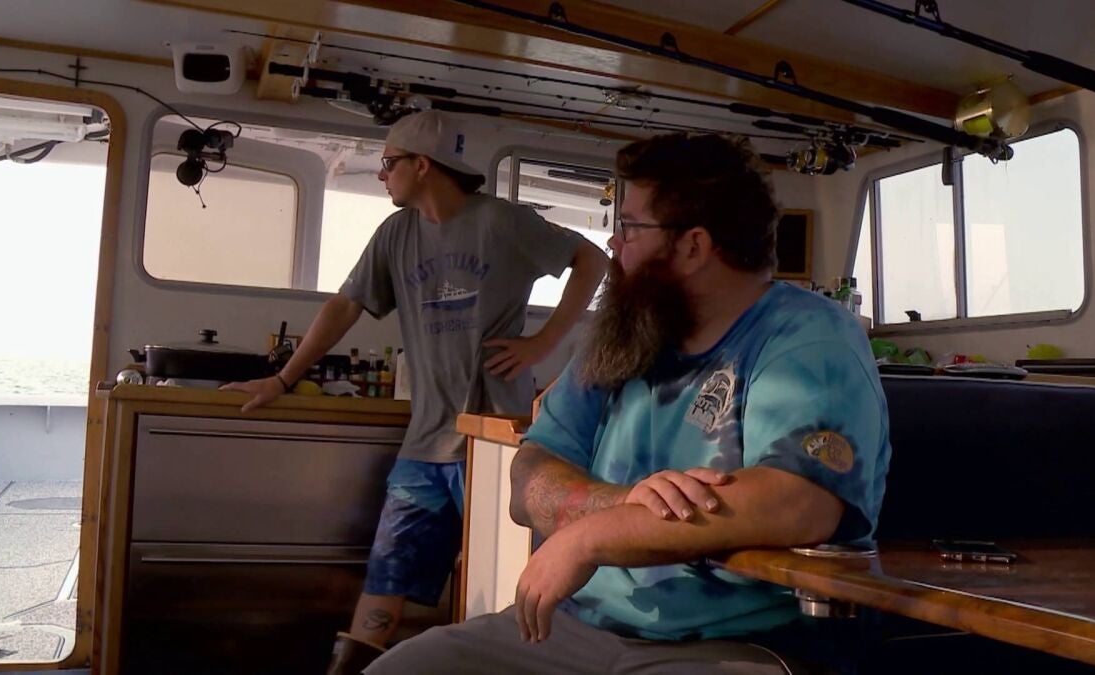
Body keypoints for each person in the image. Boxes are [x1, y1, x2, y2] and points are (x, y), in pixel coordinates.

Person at [367, 132, 892, 674]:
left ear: (692, 246)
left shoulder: (808, 337)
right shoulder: (626, 334)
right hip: (575, 629)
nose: (614, 245)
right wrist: (617, 505)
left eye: (631, 227)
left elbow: (799, 502)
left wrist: (590, 539)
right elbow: (529, 477)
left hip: (739, 642)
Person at [221, 110, 608, 674]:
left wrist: (544, 341)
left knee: (515, 583)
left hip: (494, 447)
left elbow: (592, 259)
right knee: (386, 576)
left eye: (388, 163)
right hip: (424, 445)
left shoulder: (502, 222)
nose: (381, 175)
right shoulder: (395, 234)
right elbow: (345, 305)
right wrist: (282, 379)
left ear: (422, 165)